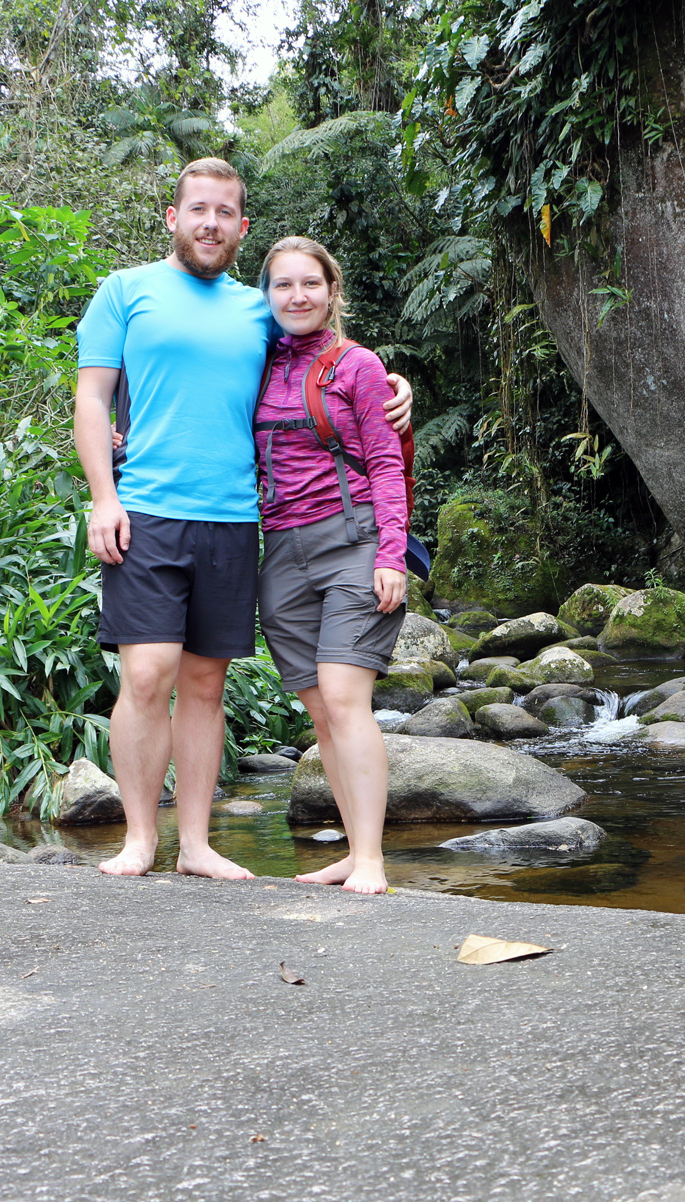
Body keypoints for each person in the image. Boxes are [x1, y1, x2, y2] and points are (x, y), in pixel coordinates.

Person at [72, 158, 412, 878]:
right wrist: (104, 495)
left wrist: (395, 388)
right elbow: (94, 399)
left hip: (234, 520)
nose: (210, 223)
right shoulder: (125, 291)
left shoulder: (258, 309)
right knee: (146, 674)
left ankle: (195, 845)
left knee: (204, 683)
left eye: (225, 213)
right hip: (146, 510)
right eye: (197, 209)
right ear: (173, 217)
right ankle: (141, 838)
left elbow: (326, 358)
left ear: (241, 226)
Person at [252, 237, 408, 895]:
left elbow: (385, 460)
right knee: (321, 717)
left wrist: (392, 553)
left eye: (309, 284)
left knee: (347, 703)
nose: (297, 296)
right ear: (267, 297)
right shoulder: (256, 365)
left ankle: (370, 858)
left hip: (354, 542)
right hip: (282, 553)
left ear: (332, 291)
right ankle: (350, 851)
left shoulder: (359, 365)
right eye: (283, 285)